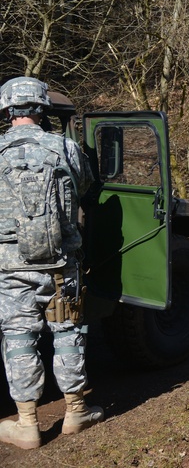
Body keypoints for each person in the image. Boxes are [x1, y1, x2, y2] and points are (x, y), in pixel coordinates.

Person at [0, 77, 103, 449]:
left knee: (18, 337)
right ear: (42, 109)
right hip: (62, 263)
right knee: (67, 331)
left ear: (9, 110)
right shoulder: (66, 147)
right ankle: (76, 410)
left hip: (11, 267)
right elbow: (88, 187)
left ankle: (27, 424)